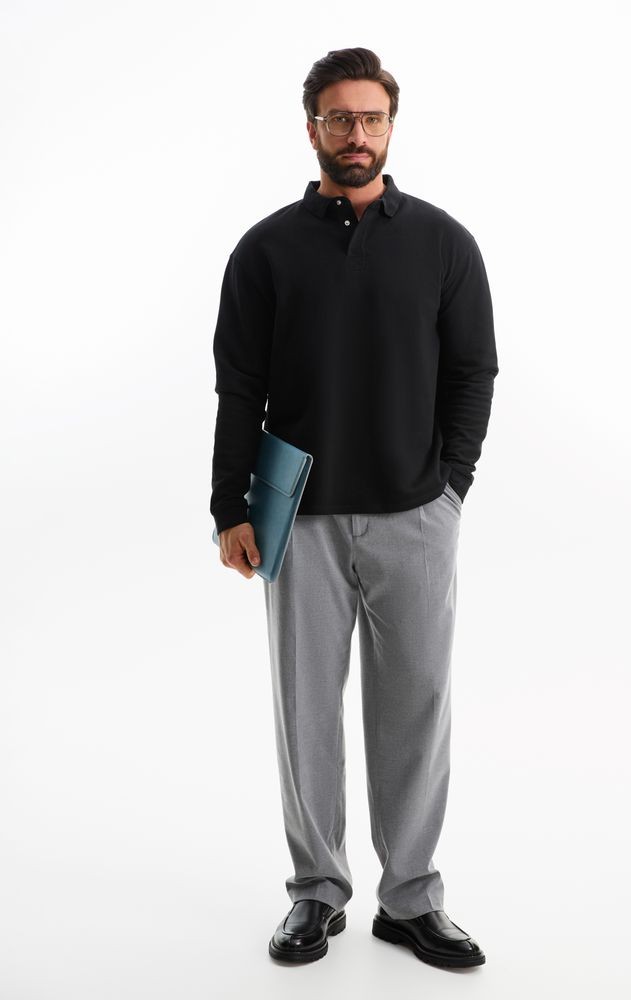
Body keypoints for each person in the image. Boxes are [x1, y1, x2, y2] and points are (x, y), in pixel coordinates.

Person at [210, 46, 498, 969]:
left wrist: (451, 489)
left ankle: (410, 899)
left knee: (416, 707)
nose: (357, 133)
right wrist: (229, 506)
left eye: (371, 118)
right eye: (340, 118)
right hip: (299, 516)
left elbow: (473, 371)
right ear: (313, 129)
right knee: (305, 712)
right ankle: (316, 892)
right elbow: (238, 386)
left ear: (390, 127)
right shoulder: (266, 249)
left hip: (417, 512)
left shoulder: (444, 244)